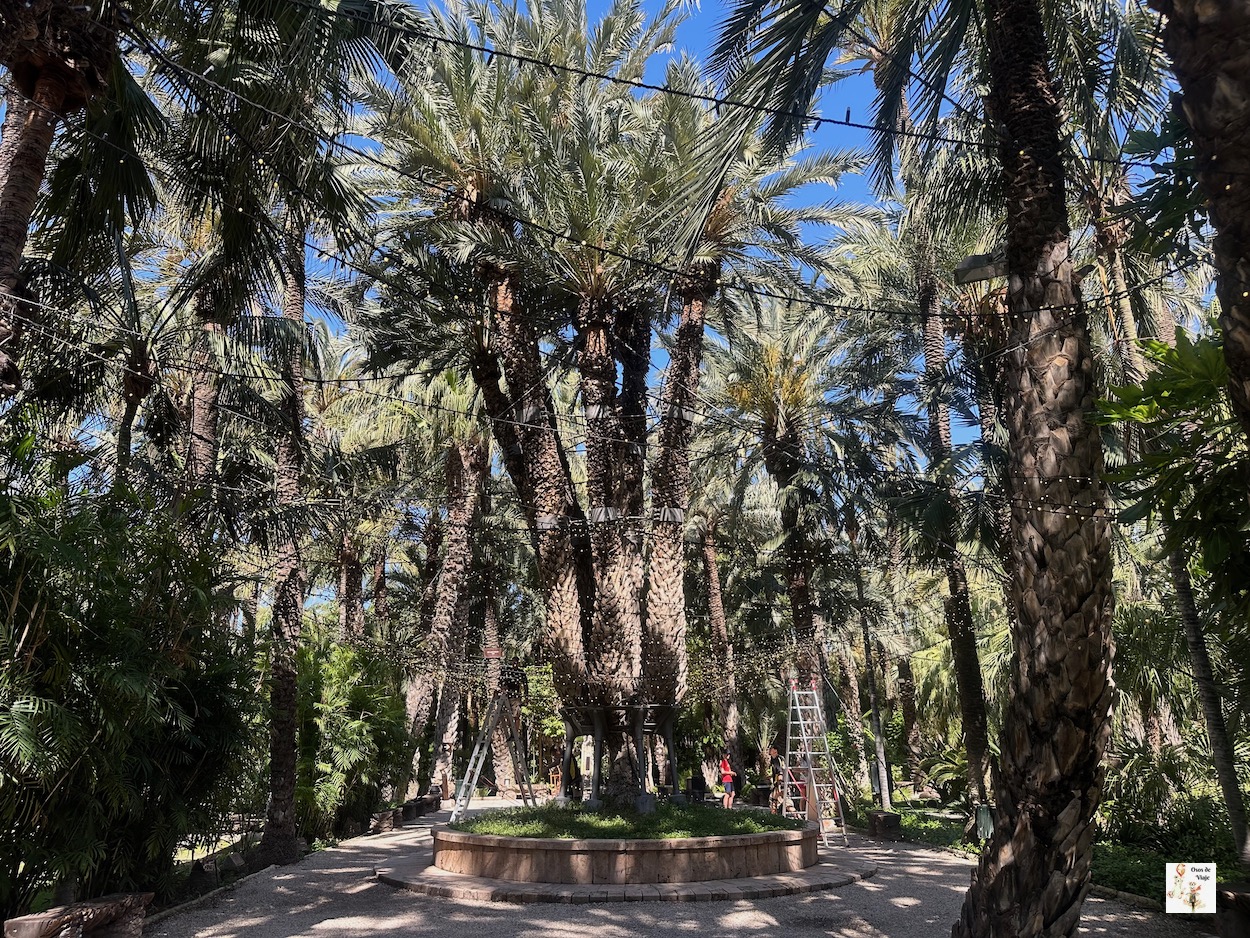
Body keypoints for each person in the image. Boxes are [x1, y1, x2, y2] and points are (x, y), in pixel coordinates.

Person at [768, 745, 784, 814]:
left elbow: (780, 773)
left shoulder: (778, 760)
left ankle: (797, 815)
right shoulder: (773, 759)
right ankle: (773, 815)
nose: (769, 750)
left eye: (771, 749)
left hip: (780, 783)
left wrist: (779, 786)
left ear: (775, 751)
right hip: (776, 783)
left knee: (783, 801)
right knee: (773, 800)